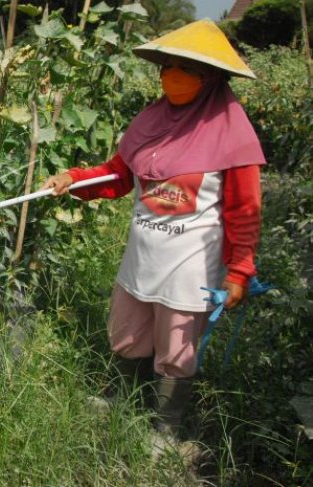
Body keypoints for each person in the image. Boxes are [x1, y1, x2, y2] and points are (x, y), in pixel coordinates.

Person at [41, 19, 266, 440]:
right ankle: (118, 398)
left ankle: (164, 427)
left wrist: (239, 271)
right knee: (127, 330)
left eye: (187, 69)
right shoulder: (150, 121)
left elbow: (244, 210)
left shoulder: (232, 136)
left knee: (177, 347)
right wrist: (73, 179)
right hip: (142, 253)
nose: (172, 76)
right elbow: (116, 176)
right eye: (168, 66)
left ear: (211, 78)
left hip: (191, 264)